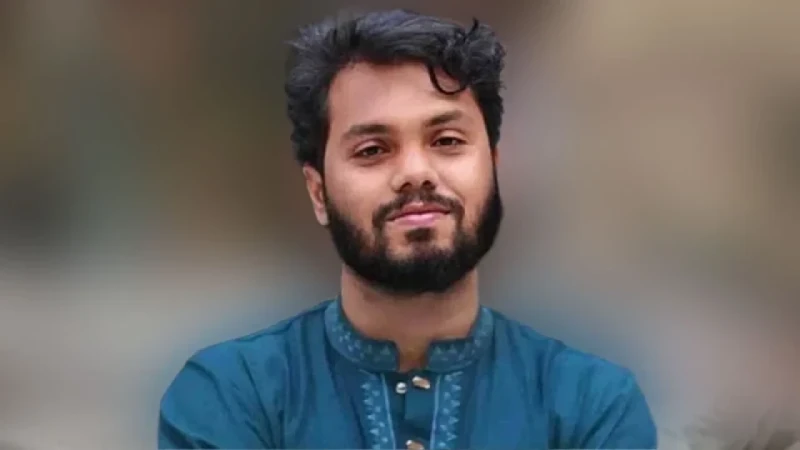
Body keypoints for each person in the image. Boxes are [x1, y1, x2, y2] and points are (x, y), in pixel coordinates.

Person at [158, 9, 657, 449]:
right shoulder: (232, 393)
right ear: (318, 192)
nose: (416, 172)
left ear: (494, 168)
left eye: (447, 140)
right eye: (373, 150)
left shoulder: (591, 403)